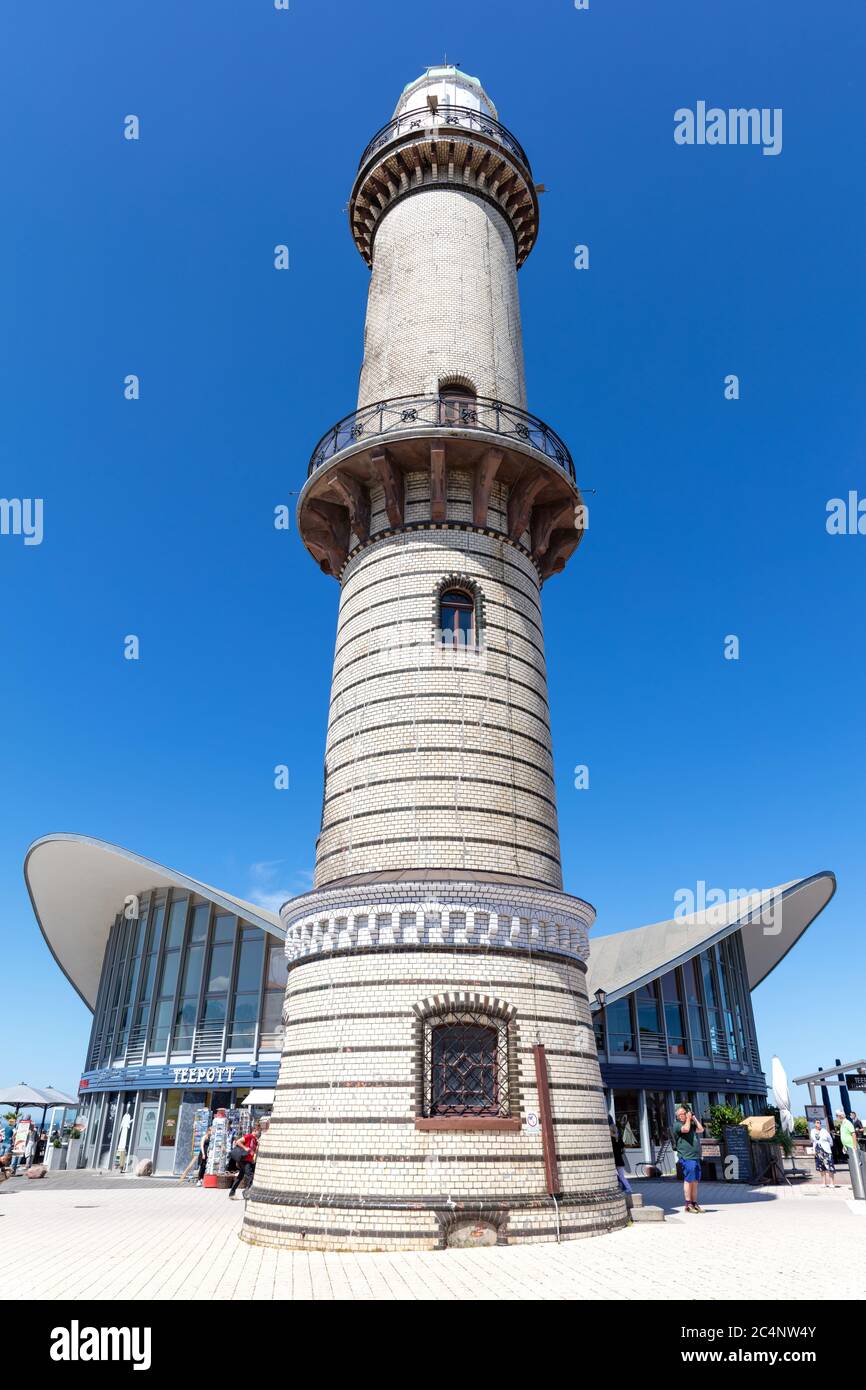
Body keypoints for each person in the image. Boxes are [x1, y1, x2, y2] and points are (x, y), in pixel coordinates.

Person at [673, 1103, 705, 1213]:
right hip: (686, 1157)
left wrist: (694, 1117)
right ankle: (688, 1204)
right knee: (688, 1180)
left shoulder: (690, 1124)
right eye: (682, 1114)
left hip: (695, 1157)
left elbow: (701, 1129)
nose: (684, 1115)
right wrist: (688, 1119)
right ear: (678, 1116)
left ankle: (694, 1203)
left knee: (695, 1181)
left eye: (685, 1114)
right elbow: (685, 1129)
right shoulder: (677, 1125)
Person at [228, 1124, 259, 1200]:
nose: (259, 1133)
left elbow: (253, 1151)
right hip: (244, 1160)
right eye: (258, 1131)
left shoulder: (255, 1140)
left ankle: (232, 1193)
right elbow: (238, 1142)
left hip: (248, 1160)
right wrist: (245, 1148)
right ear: (254, 1131)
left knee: (240, 1176)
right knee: (250, 1176)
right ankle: (246, 1192)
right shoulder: (249, 1136)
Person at [810, 1117, 836, 1188]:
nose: (819, 1124)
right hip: (818, 1150)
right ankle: (823, 1183)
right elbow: (813, 1141)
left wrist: (828, 1146)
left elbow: (830, 1140)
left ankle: (832, 1183)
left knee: (830, 1166)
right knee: (821, 1167)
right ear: (814, 1124)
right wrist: (814, 1149)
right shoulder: (812, 1131)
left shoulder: (824, 1131)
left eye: (819, 1123)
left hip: (826, 1150)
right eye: (817, 1123)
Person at [609, 1121, 632, 1196]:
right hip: (619, 1160)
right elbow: (623, 1150)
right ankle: (627, 1188)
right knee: (621, 1176)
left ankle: (628, 1189)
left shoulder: (610, 1140)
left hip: (614, 1160)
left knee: (618, 1176)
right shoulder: (619, 1138)